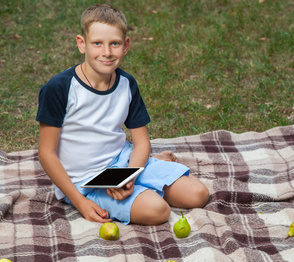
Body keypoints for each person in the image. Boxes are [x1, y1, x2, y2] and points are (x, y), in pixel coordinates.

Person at [36, 3, 209, 226]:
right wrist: (80, 202)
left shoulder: (126, 84)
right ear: (82, 44)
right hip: (84, 179)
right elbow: (46, 154)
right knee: (158, 210)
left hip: (123, 162)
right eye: (97, 43)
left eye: (114, 44)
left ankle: (146, 170)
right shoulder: (58, 88)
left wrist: (129, 175)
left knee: (198, 195)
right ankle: (148, 173)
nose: (106, 52)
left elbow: (141, 142)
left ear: (125, 45)